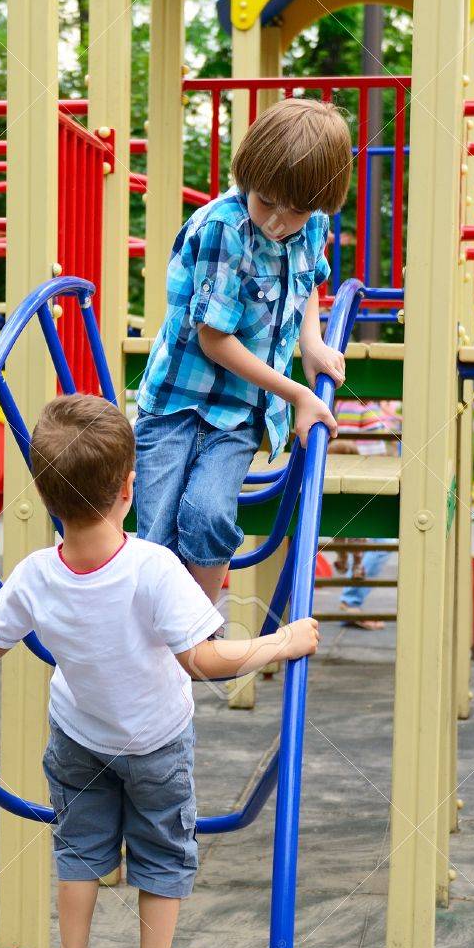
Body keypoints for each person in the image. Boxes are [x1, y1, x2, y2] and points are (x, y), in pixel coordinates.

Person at [0, 394, 319, 948]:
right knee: (163, 850)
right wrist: (281, 641)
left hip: (78, 739)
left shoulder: (35, 574)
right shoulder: (153, 567)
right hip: (156, 743)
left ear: (41, 494)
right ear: (128, 487)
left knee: (80, 846)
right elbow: (203, 661)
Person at [133, 98, 351, 602]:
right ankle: (155, 638)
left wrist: (312, 343)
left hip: (239, 412)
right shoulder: (223, 229)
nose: (277, 221)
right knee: (157, 531)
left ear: (318, 203)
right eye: (267, 201)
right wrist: (299, 392)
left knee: (208, 514)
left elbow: (309, 283)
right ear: (248, 174)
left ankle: (198, 629)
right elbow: (214, 339)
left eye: (294, 210)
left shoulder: (313, 225)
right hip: (174, 404)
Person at [332, 398, 401, 629]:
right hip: (362, 481)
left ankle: (351, 598)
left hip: (375, 478)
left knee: (374, 541)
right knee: (380, 542)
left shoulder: (367, 404)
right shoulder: (353, 404)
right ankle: (350, 600)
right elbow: (345, 447)